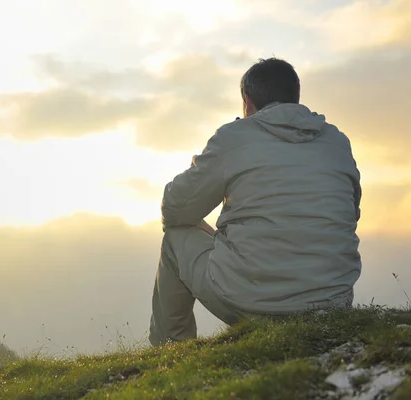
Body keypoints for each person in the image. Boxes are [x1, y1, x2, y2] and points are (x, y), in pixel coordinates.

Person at [149, 57, 362, 346]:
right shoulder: (337, 142)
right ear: (294, 97)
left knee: (175, 236)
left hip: (255, 305)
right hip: (331, 306)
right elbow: (350, 213)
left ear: (247, 103)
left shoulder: (235, 138)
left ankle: (172, 352)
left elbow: (175, 208)